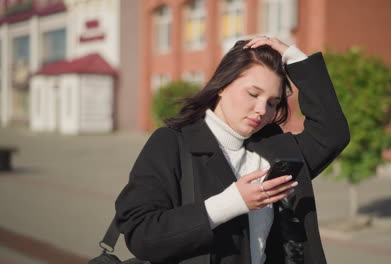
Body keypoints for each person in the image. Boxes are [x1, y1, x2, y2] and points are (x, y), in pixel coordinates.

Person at [115, 36, 350, 264]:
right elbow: (141, 234)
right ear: (223, 85)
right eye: (253, 94)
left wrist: (295, 58)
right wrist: (230, 203)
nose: (261, 110)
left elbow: (331, 134)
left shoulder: (274, 148)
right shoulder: (172, 143)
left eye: (272, 102)